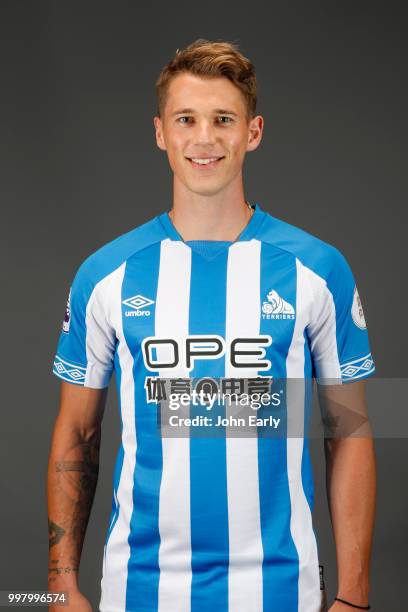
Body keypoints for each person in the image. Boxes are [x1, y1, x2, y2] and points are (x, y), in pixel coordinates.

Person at [47, 39, 376, 612]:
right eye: (186, 119)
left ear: (252, 132)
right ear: (160, 133)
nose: (204, 138)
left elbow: (348, 431)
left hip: (280, 591)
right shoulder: (106, 275)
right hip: (139, 590)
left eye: (223, 119)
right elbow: (78, 434)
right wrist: (57, 586)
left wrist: (354, 596)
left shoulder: (317, 270)